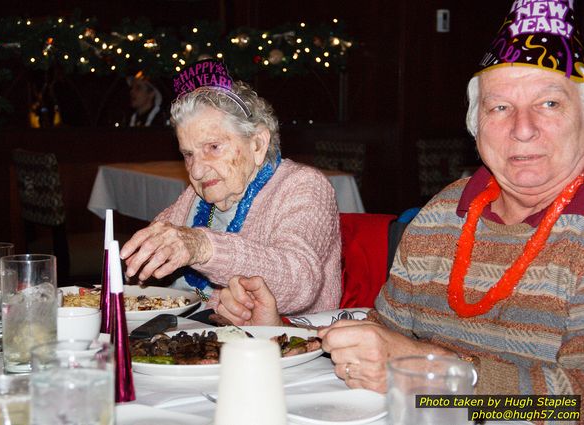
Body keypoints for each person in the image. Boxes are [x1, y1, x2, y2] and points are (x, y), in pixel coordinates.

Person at [216, 0, 584, 402]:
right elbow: (385, 335)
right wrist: (279, 332)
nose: (523, 128)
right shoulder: (444, 212)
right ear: (476, 127)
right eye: (500, 107)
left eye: (549, 103)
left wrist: (444, 374)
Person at [120, 59, 341, 315]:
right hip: (190, 340)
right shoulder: (196, 194)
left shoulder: (303, 185)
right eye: (188, 154)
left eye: (213, 147)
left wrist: (202, 247)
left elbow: (299, 280)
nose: (196, 170)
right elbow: (142, 274)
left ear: (257, 144)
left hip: (281, 345)